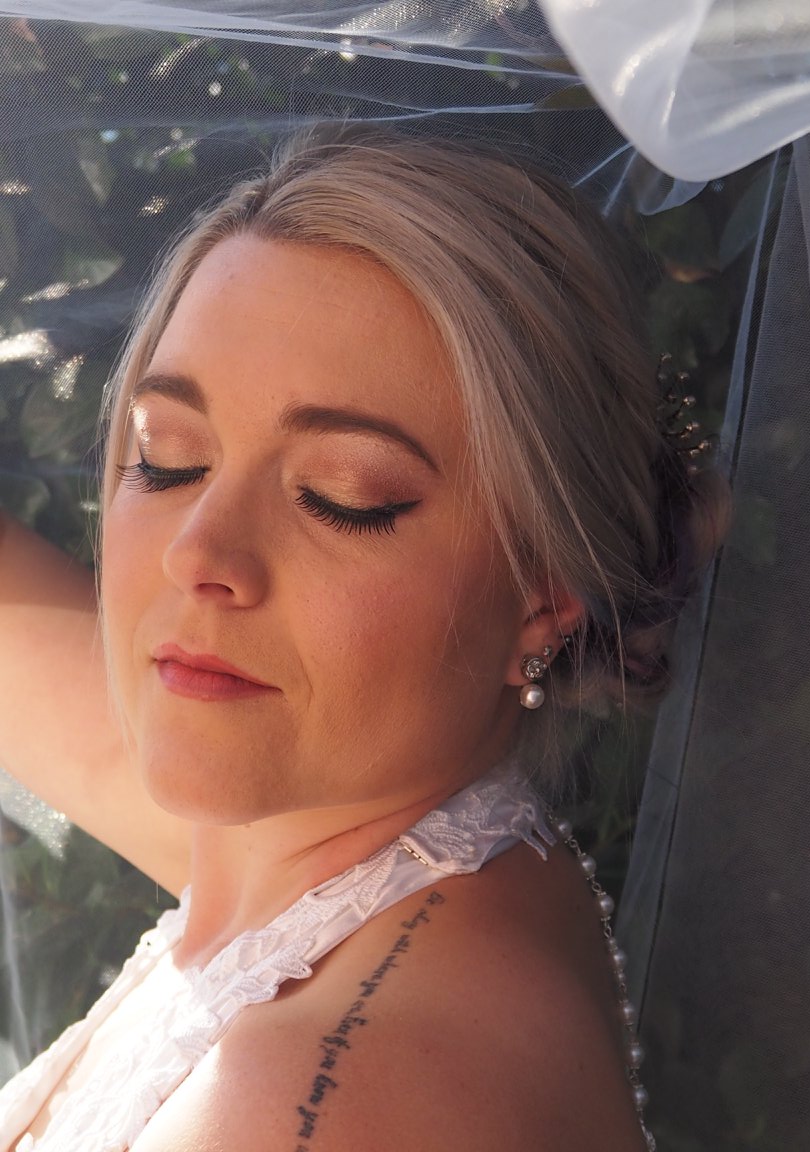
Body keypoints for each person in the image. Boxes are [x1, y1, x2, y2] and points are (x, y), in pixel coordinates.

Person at [0, 123, 726, 1151]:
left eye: (342, 498)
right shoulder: (328, 860)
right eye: (166, 458)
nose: (199, 553)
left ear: (544, 594)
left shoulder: (323, 1096)